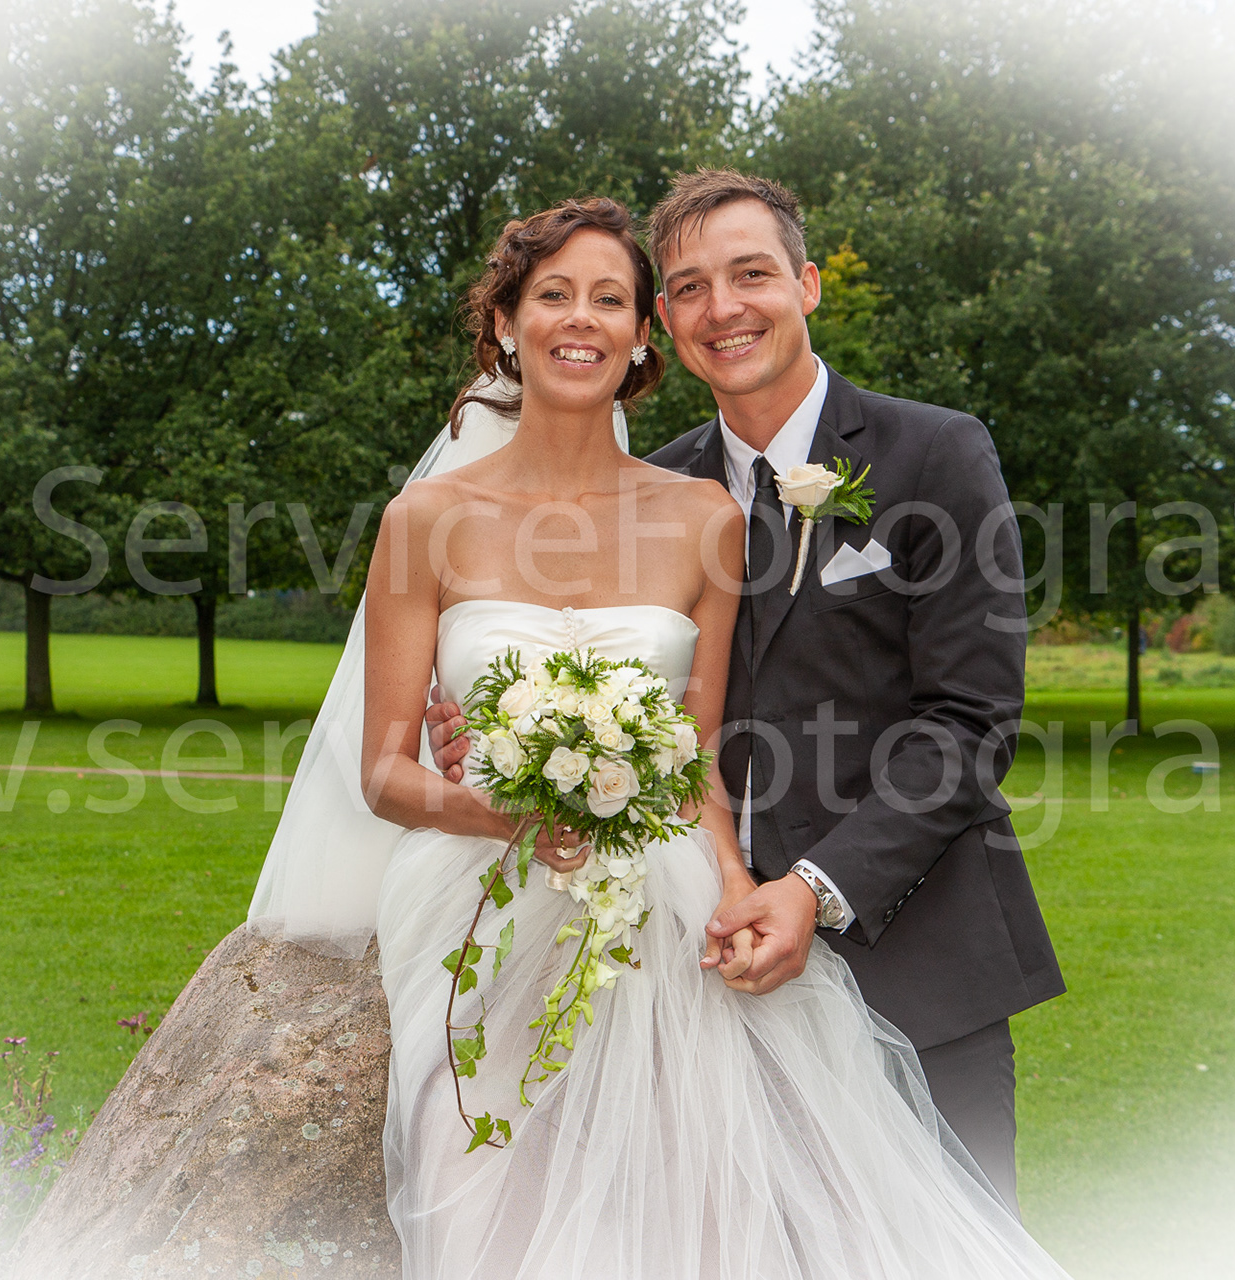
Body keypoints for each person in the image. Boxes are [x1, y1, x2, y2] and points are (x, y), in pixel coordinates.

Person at [358, 195, 1070, 1278]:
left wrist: (809, 889)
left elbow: (970, 723)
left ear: (807, 284)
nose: (722, 307)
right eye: (688, 286)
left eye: (751, 275)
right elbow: (665, 718)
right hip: (666, 956)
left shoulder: (935, 452)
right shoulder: (675, 481)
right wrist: (492, 747)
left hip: (911, 958)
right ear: (667, 326)